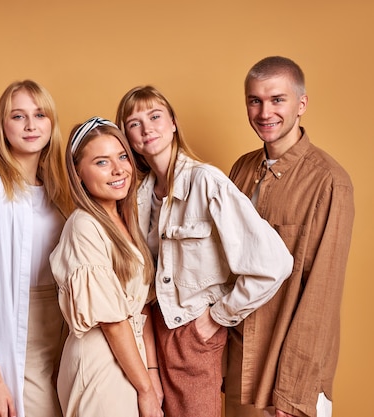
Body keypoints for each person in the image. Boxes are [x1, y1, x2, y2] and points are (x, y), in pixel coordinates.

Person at [115, 86, 294, 417]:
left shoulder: (206, 182)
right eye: (134, 123)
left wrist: (216, 318)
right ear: (127, 137)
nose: (147, 128)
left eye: (155, 117)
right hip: (149, 334)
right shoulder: (135, 195)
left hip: (191, 333)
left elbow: (275, 263)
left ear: (173, 123)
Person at [224, 56, 355, 417]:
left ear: (301, 104)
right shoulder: (241, 168)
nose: (265, 112)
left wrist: (293, 393)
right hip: (237, 365)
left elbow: (321, 297)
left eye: (277, 99)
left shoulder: (329, 181)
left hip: (286, 375)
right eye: (255, 100)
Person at [0, 80, 73, 417]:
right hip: (16, 326)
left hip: (63, 321)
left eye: (39, 115)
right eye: (18, 116)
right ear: (3, 125)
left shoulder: (62, 190)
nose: (30, 125)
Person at [50, 117, 164, 417]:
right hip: (100, 364)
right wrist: (146, 389)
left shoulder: (127, 223)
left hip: (130, 361)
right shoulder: (84, 226)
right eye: (102, 162)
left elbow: (141, 310)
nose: (118, 170)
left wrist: (151, 373)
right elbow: (113, 323)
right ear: (78, 173)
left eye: (123, 156)